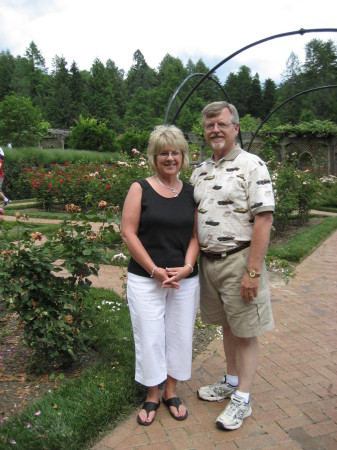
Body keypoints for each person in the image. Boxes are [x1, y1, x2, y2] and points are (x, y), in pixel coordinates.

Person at [190, 101, 275, 431]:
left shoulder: (252, 165)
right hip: (209, 263)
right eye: (210, 125)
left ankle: (243, 399)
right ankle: (230, 380)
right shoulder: (199, 171)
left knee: (245, 332)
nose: (215, 130)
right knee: (227, 326)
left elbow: (264, 219)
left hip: (240, 260)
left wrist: (253, 271)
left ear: (235, 128)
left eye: (222, 124)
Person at [121, 125, 200, 426]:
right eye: (163, 153)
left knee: (179, 335)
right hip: (145, 279)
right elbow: (128, 233)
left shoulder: (191, 192)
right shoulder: (139, 188)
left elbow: (196, 236)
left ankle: (171, 390)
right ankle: (152, 392)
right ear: (154, 158)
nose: (170, 158)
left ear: (183, 156)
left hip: (184, 280)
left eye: (175, 153)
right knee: (150, 336)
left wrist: (187, 268)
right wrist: (154, 270)